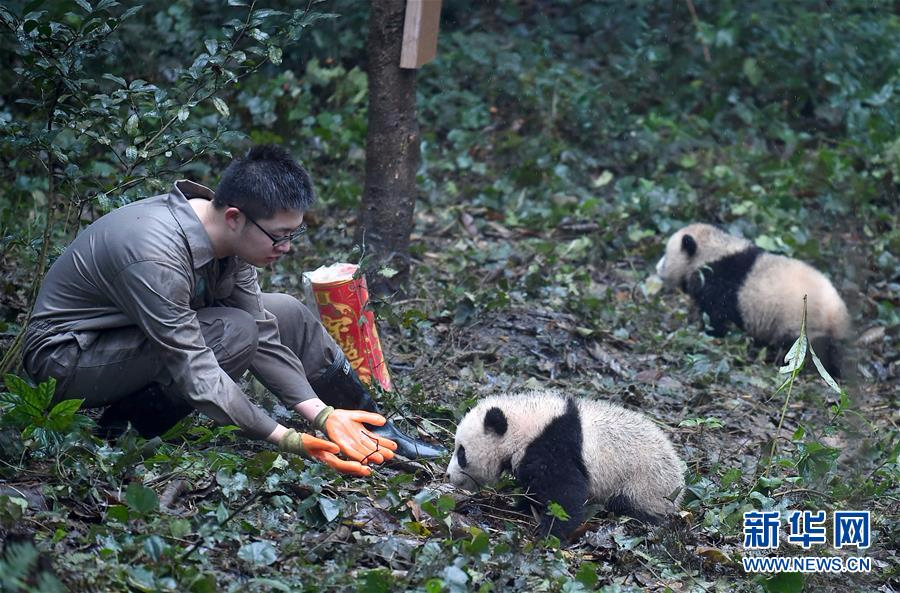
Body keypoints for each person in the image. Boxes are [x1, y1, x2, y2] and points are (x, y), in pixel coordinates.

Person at [22, 145, 445, 476]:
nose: (287, 249)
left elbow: (263, 326)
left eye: (293, 235)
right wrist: (286, 438)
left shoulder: (229, 237)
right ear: (235, 217)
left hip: (131, 343)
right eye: (279, 237)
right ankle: (125, 430)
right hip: (67, 360)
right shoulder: (154, 254)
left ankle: (372, 428)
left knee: (284, 312)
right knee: (234, 330)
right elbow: (195, 365)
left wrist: (322, 415)